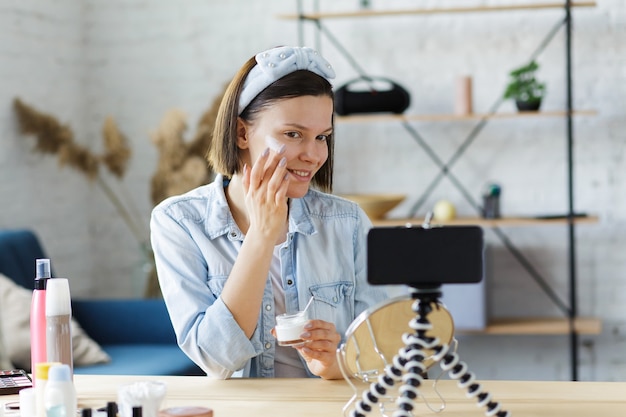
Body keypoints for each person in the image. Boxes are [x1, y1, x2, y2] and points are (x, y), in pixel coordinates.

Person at [150, 45, 394, 379]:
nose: (313, 155)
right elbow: (216, 359)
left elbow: (385, 351)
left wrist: (336, 364)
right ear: (241, 133)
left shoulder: (348, 224)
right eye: (293, 134)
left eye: (322, 137)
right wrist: (262, 235)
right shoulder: (179, 223)